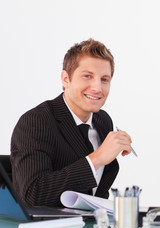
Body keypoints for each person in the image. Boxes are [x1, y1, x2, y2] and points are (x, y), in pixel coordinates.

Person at [10, 39, 133, 207]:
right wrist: (97, 158)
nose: (97, 88)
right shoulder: (36, 122)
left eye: (104, 79)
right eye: (87, 76)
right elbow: (33, 193)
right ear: (66, 79)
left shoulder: (103, 121)